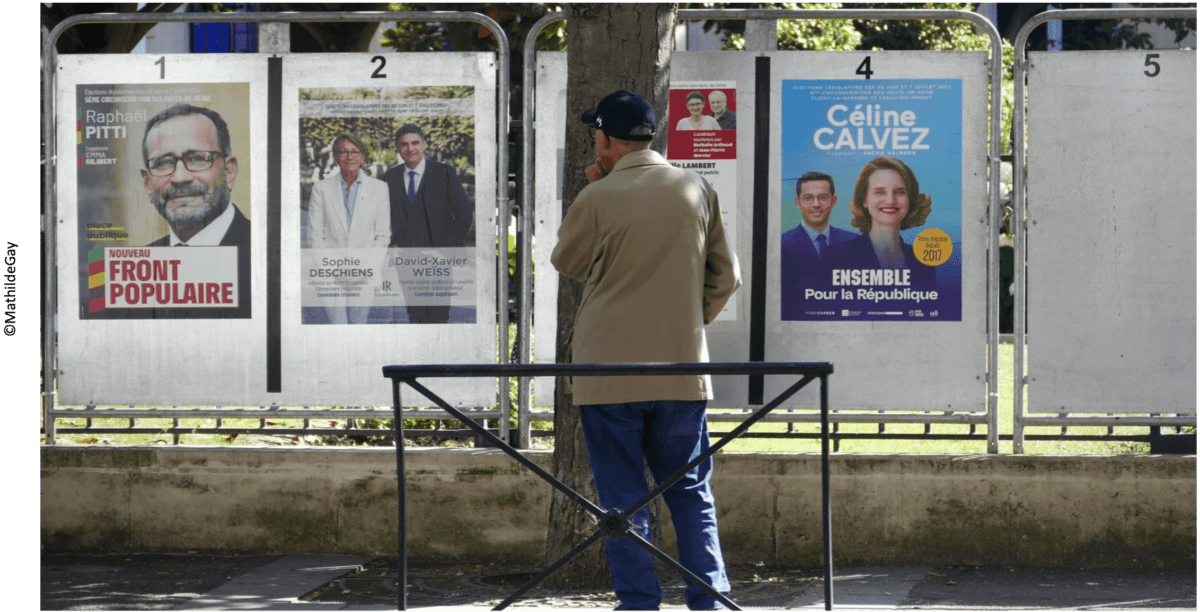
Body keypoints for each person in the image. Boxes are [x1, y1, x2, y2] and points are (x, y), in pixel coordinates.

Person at [551, 90, 741, 612]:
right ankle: (710, 599)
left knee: (622, 499)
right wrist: (687, 320)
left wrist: (596, 193)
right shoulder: (695, 187)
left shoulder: (598, 196)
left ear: (607, 140)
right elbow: (728, 277)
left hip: (608, 372)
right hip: (682, 369)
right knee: (690, 489)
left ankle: (638, 603)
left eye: (597, 134)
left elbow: (567, 261)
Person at [141, 104, 250, 318]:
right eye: (163, 163)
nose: (180, 178)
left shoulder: (271, 256)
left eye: (198, 158)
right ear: (147, 182)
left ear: (229, 172)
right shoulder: (129, 274)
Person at [383, 124, 474, 323]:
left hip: (437, 259)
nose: (410, 148)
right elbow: (381, 217)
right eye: (404, 144)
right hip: (406, 259)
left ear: (424, 145)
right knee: (415, 315)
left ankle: (437, 353)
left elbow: (464, 214)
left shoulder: (444, 172)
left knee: (438, 315)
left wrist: (444, 250)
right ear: (397, 149)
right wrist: (391, 245)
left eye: (415, 143)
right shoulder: (390, 177)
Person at [307, 133, 391, 324]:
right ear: (336, 157)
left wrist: (364, 269)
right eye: (343, 152)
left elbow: (383, 235)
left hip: (365, 276)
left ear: (362, 157)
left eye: (355, 152)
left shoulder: (380, 189)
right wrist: (335, 270)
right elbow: (315, 236)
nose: (349, 156)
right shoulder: (321, 189)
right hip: (331, 276)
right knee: (338, 328)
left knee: (358, 326)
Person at [826, 156, 936, 289]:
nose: (890, 200)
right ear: (864, 200)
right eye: (880, 192)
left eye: (899, 192)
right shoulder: (837, 257)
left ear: (910, 199)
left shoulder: (923, 261)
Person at [780, 171, 857, 319]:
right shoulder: (782, 245)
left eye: (822, 197)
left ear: (833, 201)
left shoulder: (854, 242)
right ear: (798, 202)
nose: (816, 204)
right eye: (808, 198)